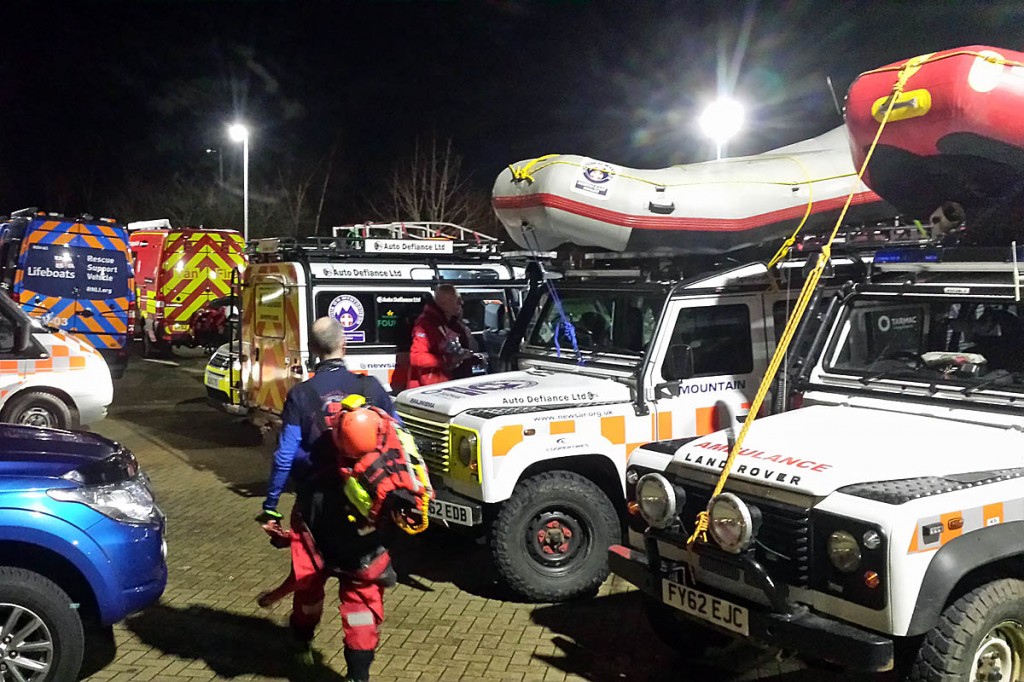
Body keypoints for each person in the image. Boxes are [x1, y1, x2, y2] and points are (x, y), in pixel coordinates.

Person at [257, 316, 397, 682]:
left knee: (309, 583)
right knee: (363, 593)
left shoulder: (302, 394)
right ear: (344, 345)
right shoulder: (372, 387)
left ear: (314, 350)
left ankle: (302, 645)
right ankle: (358, 675)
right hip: (365, 508)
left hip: (315, 508)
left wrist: (270, 504)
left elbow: (285, 455)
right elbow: (398, 444)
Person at [407, 284, 481, 387]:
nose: (461, 304)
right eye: (458, 301)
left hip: (450, 383)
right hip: (429, 388)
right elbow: (416, 358)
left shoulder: (454, 324)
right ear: (444, 303)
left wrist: (467, 357)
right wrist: (447, 360)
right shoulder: (426, 324)